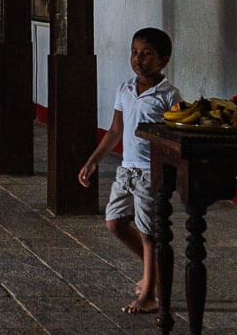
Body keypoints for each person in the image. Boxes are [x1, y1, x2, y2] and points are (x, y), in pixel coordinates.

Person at [78, 27, 181, 316]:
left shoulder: (169, 96)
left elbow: (176, 137)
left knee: (150, 234)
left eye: (147, 54)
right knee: (115, 223)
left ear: (164, 60)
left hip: (152, 172)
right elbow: (115, 130)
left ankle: (149, 295)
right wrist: (93, 160)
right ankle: (154, 273)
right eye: (135, 52)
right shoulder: (125, 89)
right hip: (127, 170)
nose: (139, 59)